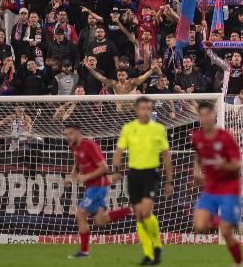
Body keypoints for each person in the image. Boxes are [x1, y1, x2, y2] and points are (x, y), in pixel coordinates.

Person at [112, 97, 173, 265]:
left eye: (149, 108)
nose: (146, 111)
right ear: (136, 110)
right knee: (139, 216)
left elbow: (166, 156)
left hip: (150, 174)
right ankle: (148, 253)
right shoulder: (128, 128)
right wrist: (116, 170)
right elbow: (118, 151)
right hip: (133, 175)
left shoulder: (159, 129)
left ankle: (158, 247)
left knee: (146, 212)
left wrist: (169, 181)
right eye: (143, 108)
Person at [64, 124, 133, 259]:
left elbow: (104, 168)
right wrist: (71, 178)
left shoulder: (89, 145)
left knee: (81, 214)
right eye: (66, 134)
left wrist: (86, 177)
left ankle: (84, 253)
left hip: (98, 186)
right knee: (100, 220)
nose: (68, 137)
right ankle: (131, 210)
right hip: (91, 187)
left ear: (78, 132)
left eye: (70, 133)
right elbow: (77, 165)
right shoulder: (74, 147)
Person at [192, 102, 243, 267]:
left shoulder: (225, 137)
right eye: (202, 115)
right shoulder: (197, 137)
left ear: (213, 115)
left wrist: (223, 165)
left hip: (229, 188)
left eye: (208, 114)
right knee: (199, 226)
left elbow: (237, 164)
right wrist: (197, 171)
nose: (205, 118)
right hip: (210, 189)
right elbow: (199, 156)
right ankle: (221, 219)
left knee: (226, 232)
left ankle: (239, 263)